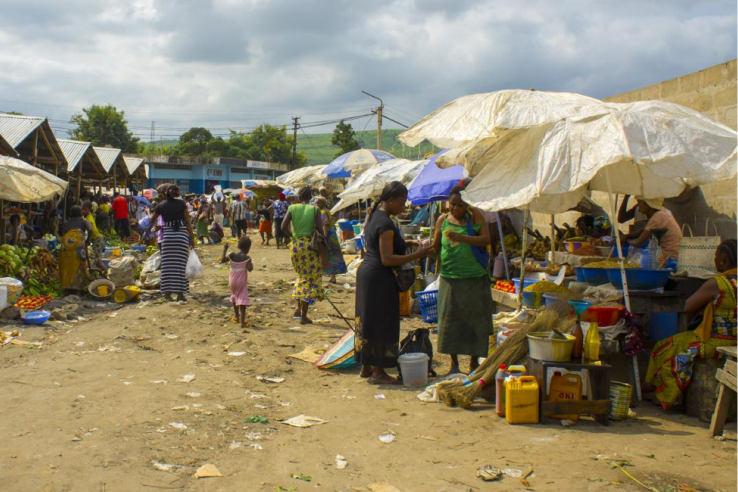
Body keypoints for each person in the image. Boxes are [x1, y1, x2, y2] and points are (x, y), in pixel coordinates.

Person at [645, 240, 738, 409]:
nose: (714, 260)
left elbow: (687, 308)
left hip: (714, 342)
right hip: (735, 342)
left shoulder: (718, 283)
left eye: (716, 256)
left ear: (723, 260)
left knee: (664, 347)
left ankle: (661, 394)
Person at [354, 182, 432, 384]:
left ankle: (366, 366)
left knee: (368, 321)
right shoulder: (386, 223)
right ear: (390, 200)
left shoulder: (375, 216)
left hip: (368, 275)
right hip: (379, 277)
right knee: (381, 322)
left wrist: (409, 243)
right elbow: (387, 258)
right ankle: (378, 372)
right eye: (401, 203)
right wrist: (418, 254)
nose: (403, 208)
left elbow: (384, 246)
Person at [430, 183, 492, 375]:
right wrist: (421, 250)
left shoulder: (475, 217)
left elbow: (486, 240)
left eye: (459, 205)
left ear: (467, 206)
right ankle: (454, 364)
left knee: (476, 320)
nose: (455, 209)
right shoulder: (442, 220)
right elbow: (435, 246)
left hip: (475, 277)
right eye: (452, 205)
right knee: (450, 321)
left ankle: (474, 362)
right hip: (450, 278)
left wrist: (462, 238)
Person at [281, 187, 324, 324]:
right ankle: (304, 316)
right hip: (309, 247)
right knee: (310, 280)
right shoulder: (315, 209)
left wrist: (293, 236)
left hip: (295, 246)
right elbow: (320, 230)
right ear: (311, 197)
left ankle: (298, 307)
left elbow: (283, 227)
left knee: (301, 276)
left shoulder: (292, 208)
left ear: (299, 196)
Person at [151, 185, 195, 302]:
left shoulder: (161, 206)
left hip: (168, 237)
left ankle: (167, 294)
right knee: (181, 266)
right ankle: (180, 294)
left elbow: (151, 220)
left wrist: (158, 226)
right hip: (181, 236)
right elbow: (187, 222)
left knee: (167, 266)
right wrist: (192, 237)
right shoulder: (182, 204)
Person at [627, 198, 682, 266]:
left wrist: (623, 241)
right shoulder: (662, 214)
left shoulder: (657, 217)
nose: (638, 204)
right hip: (674, 256)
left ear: (649, 205)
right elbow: (642, 232)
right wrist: (626, 236)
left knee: (638, 261)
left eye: (641, 202)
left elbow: (638, 242)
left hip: (668, 259)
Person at [59, 205, 93, 294]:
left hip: (66, 244)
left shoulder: (67, 222)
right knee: (79, 264)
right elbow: (90, 228)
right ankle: (77, 287)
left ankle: (67, 287)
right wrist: (88, 239)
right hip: (78, 243)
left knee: (66, 264)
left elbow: (63, 233)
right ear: (80, 213)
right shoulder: (83, 220)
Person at [221, 237, 254, 329]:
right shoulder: (247, 258)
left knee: (234, 296)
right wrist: (251, 263)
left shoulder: (232, 255)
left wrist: (224, 249)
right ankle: (243, 321)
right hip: (241, 283)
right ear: (248, 248)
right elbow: (250, 269)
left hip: (232, 281)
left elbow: (222, 260)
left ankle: (236, 317)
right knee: (242, 301)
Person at [315, 197, 347, 283]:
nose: (317, 205)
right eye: (316, 203)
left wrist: (323, 238)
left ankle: (324, 277)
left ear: (323, 203)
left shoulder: (322, 212)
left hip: (327, 237)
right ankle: (333, 277)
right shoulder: (327, 211)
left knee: (325, 256)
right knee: (333, 256)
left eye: (319, 203)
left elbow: (325, 226)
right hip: (332, 236)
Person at [82, 202, 106, 272]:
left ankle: (106, 274)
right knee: (97, 261)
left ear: (89, 210)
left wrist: (88, 240)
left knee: (96, 261)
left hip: (97, 239)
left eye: (85, 209)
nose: (83, 211)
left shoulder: (88, 218)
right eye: (82, 209)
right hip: (96, 239)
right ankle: (105, 273)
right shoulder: (87, 216)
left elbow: (90, 230)